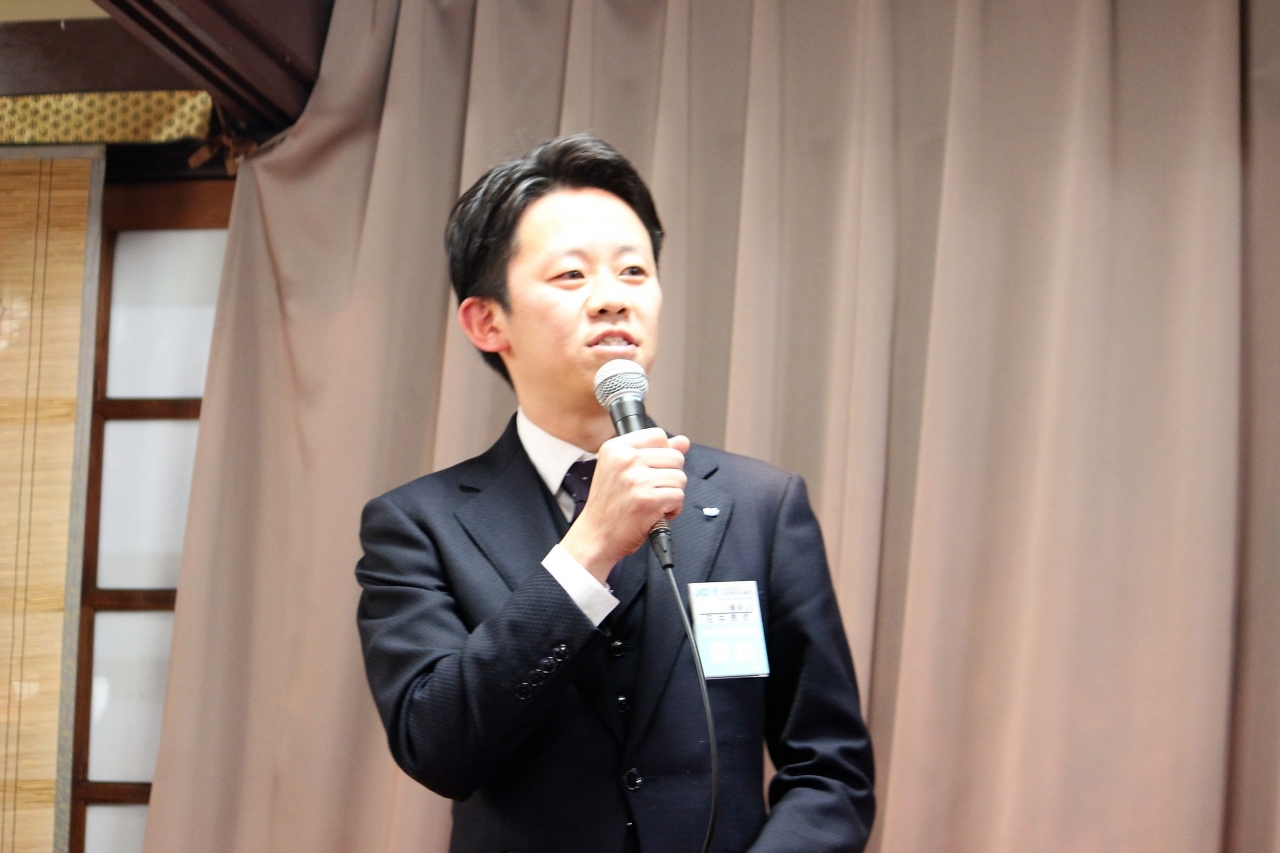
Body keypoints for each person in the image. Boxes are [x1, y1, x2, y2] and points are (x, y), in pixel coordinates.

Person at [356, 135, 874, 853]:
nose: (612, 298)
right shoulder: (419, 524)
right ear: (487, 321)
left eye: (634, 270)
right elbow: (438, 746)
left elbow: (831, 769)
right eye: (571, 275)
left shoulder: (760, 504)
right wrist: (588, 548)